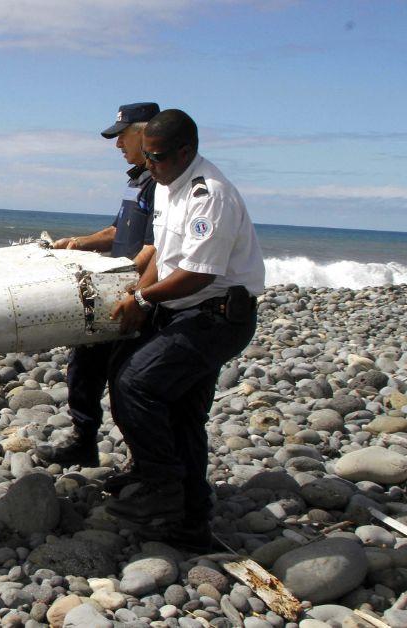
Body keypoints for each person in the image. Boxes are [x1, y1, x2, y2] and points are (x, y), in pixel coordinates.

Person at [105, 109, 264, 550]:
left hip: (216, 315)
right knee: (180, 412)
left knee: (137, 384)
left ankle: (161, 486)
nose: (148, 165)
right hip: (186, 310)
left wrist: (141, 299)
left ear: (186, 152)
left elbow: (198, 273)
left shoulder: (208, 195)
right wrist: (142, 287)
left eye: (156, 157)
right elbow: (165, 253)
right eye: (148, 157)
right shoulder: (167, 186)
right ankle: (189, 519)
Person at [45, 102, 161, 468]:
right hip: (114, 290)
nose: (117, 145)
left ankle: (144, 463)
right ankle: (84, 440)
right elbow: (116, 233)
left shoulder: (162, 185)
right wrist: (77, 242)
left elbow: (157, 247)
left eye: (122, 136)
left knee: (128, 381)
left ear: (145, 133)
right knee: (84, 367)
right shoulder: (136, 181)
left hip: (136, 294)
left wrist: (132, 292)